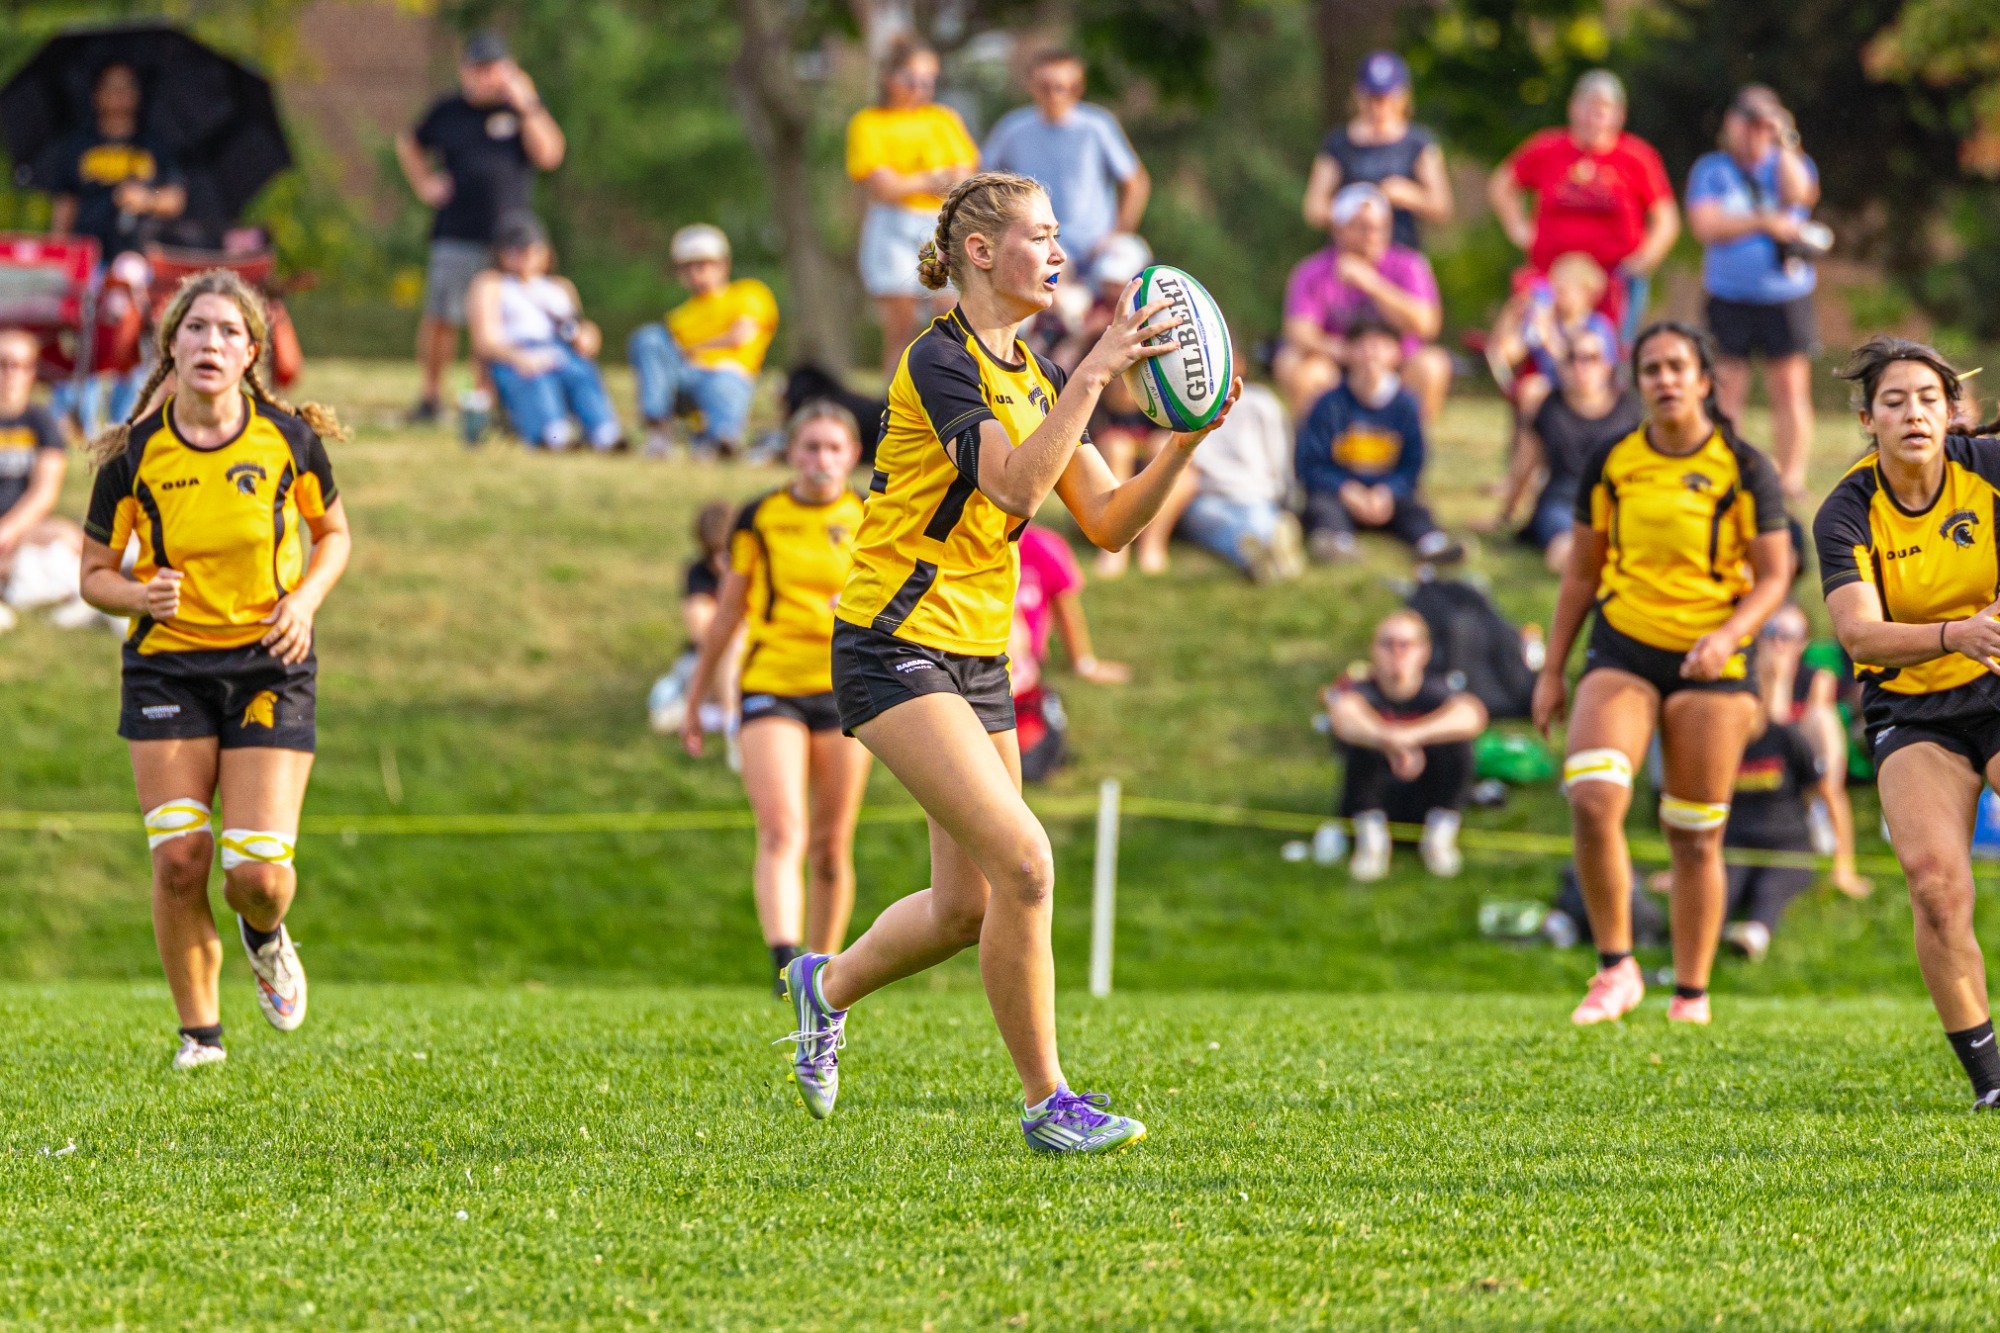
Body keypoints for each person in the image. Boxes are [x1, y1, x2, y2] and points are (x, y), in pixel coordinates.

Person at [778, 170, 1240, 1154]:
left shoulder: (1033, 373)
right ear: (980, 253)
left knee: (964, 906)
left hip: (978, 654)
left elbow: (1110, 523)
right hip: (892, 643)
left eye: (1059, 233)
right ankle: (1048, 1103)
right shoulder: (937, 361)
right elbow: (1016, 485)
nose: (1060, 251)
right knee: (1027, 860)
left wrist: (1185, 441)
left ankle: (824, 985)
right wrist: (1094, 373)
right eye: (1040, 234)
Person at [74, 271, 352, 1070]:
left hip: (271, 662)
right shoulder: (134, 456)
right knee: (179, 859)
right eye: (195, 329)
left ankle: (264, 933)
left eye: (229, 331)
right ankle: (201, 1037)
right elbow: (92, 573)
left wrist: (304, 601)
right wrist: (137, 591)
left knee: (258, 875)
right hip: (167, 669)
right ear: (170, 349)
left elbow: (333, 535)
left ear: (251, 352)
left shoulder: (287, 440)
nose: (210, 344)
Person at [1533, 321, 1790, 1027]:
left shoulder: (1744, 465)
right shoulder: (1612, 460)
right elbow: (1582, 570)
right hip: (1624, 649)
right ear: (1636, 381)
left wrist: (1731, 633)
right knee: (1590, 796)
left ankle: (1691, 993)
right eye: (1651, 368)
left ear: (1705, 379)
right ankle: (1615, 968)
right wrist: (1553, 669)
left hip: (1713, 663)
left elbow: (1776, 574)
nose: (1666, 379)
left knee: (1694, 833)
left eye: (1678, 366)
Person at [1813, 336, 2000, 1109]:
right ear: (1868, 418)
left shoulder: (1987, 470)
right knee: (1934, 886)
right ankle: (1992, 1084)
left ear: (1952, 412)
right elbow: (1859, 634)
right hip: (1913, 704)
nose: (1913, 412)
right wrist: (1956, 632)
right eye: (1894, 401)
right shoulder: (1845, 511)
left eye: (1928, 397)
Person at [680, 403, 872, 993]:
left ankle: (828, 976)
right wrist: (695, 700)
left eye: (833, 448)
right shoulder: (760, 515)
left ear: (853, 455)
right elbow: (728, 611)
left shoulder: (868, 513)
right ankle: (785, 964)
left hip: (846, 688)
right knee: (782, 828)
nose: (821, 459)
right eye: (810, 447)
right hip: (771, 682)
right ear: (791, 453)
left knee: (832, 846)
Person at [397, 30, 566, 425]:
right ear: (465, 71)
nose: (485, 77)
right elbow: (409, 142)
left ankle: (487, 401)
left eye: (492, 68)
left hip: (509, 240)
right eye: (478, 69)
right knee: (443, 317)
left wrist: (528, 105)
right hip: (456, 230)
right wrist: (425, 183)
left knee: (495, 323)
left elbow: (550, 154)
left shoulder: (520, 112)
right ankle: (430, 395)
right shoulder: (449, 111)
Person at [1686, 86, 1823, 499]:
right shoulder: (1712, 169)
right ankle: (1728, 467)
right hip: (1729, 296)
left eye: (1758, 122)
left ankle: (1792, 476)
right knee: (1726, 387)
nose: (1749, 131)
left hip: (1786, 296)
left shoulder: (1791, 163)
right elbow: (1706, 226)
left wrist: (1784, 139)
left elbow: (1800, 194)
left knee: (1790, 388)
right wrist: (1763, 221)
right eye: (1744, 120)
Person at [1714, 603, 1866, 963]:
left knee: (1822, 720)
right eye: (1772, 633)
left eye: (1791, 636)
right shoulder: (1742, 678)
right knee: (1724, 878)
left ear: (1804, 641)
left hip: (1797, 797)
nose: (1780, 644)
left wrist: (1844, 866)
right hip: (1743, 815)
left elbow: (1781, 734)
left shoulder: (1814, 679)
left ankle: (1754, 933)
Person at [1489, 70, 1678, 345]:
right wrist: (1519, 229)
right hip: (1552, 278)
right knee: (1541, 344)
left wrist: (1644, 259)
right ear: (1573, 108)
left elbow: (1666, 218)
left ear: (1619, 115)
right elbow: (1501, 185)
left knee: (1608, 352)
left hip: (1613, 280)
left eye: (1604, 109)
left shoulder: (1637, 157)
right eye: (1588, 107)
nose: (1595, 117)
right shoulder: (1547, 148)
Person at [846, 36, 979, 380]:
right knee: (900, 327)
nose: (920, 88)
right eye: (911, 79)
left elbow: (963, 178)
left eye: (927, 80)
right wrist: (934, 177)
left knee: (950, 315)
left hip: (938, 224)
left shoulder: (943, 118)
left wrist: (912, 181)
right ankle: (892, 408)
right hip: (892, 226)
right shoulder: (869, 122)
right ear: (888, 78)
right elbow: (883, 188)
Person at [1323, 610, 1487, 881]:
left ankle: (1438, 837)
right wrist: (1388, 740)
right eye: (1388, 644)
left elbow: (1472, 714)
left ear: (1424, 651)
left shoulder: (1436, 691)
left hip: (1426, 797)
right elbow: (1343, 715)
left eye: (1406, 644)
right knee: (1363, 741)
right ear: (1374, 650)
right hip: (1374, 799)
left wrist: (1410, 736)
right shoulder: (1362, 691)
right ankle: (1372, 844)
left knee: (1457, 743)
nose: (1397, 653)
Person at [1275, 183, 1449, 421]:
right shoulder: (1312, 271)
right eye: (1362, 227)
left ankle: (1410, 449)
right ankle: (1314, 450)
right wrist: (1345, 352)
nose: (1372, 235)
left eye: (1380, 227)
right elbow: (1299, 331)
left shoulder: (1409, 265)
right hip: (1337, 361)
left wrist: (1372, 284)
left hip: (1397, 362)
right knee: (1298, 366)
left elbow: (1427, 324)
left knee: (1433, 365)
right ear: (1338, 229)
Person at [1293, 319, 1461, 564]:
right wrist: (1347, 491)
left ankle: (1432, 545)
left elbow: (1413, 466)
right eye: (1362, 346)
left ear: (1396, 354)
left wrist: (1387, 491)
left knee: (1415, 509)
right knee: (1321, 508)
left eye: (1380, 346)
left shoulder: (1406, 405)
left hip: (1388, 497)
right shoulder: (1328, 404)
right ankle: (1337, 544)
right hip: (1340, 494)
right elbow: (1310, 465)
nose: (1371, 354)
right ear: (1347, 353)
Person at [980, 50, 1150, 278]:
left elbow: (1135, 182)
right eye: (1043, 86)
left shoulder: (1096, 126)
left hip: (1096, 248)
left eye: (1059, 87)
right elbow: (982, 179)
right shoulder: (1013, 129)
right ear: (1031, 86)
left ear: (1076, 89)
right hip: (1036, 246)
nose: (1051, 95)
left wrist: (1116, 234)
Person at [465, 212, 622, 452]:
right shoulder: (492, 284)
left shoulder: (560, 287)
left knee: (582, 374)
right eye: (516, 250)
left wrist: (588, 336)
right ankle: (553, 435)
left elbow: (580, 327)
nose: (525, 256)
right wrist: (519, 357)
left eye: (531, 249)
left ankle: (605, 433)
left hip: (560, 351)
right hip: (514, 353)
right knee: (537, 376)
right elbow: (485, 340)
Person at [1491, 325, 1642, 573]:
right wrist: (1504, 517)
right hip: (1562, 503)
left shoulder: (1630, 409)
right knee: (1568, 549)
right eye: (1571, 358)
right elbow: (1524, 467)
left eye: (1590, 358)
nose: (1580, 367)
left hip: (1620, 500)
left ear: (1607, 366)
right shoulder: (1548, 407)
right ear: (1561, 367)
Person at [627, 224, 779, 459]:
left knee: (723, 385)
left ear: (723, 265)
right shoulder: (679, 316)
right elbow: (659, 361)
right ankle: (659, 430)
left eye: (703, 265)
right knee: (648, 338)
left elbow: (741, 336)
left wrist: (692, 349)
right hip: (685, 379)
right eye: (687, 267)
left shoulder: (749, 292)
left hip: (728, 375)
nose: (696, 273)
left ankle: (719, 439)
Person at [1143, 372, 1304, 582]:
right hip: (1223, 494)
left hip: (1241, 494)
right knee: (1244, 524)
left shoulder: (1259, 402)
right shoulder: (1192, 408)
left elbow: (1279, 455)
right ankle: (1272, 551)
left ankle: (1259, 555)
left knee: (1238, 525)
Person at [1301, 51, 1452, 252]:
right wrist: (1353, 210)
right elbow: (1314, 209)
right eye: (1372, 97)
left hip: (1400, 253)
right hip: (1349, 257)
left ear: (1403, 96)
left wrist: (1409, 195)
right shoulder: (1337, 144)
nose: (1378, 106)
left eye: (1386, 98)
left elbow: (1443, 207)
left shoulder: (1419, 144)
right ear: (1357, 94)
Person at [48, 63, 185, 263]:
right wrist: (58, 251)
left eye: (126, 87)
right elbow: (66, 202)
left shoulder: (153, 145)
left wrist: (147, 199)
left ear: (137, 94)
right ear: (96, 95)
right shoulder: (78, 145)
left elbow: (175, 198)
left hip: (137, 254)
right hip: (87, 253)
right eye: (111, 87)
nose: (119, 94)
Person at [0, 329, 87, 624]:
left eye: (20, 365)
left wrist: (7, 531)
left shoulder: (43, 422)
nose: (11, 374)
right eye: (4, 363)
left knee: (73, 538)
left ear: (31, 372)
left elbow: (44, 493)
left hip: (22, 528)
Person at [648, 501, 739, 743]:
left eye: (730, 551)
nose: (723, 560)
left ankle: (718, 716)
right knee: (726, 641)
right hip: (707, 663)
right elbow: (704, 634)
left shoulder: (756, 569)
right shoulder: (698, 575)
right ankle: (731, 725)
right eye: (715, 553)